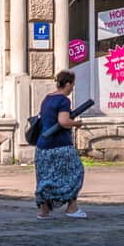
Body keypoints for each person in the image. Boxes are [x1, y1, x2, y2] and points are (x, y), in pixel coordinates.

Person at [34, 70, 86, 219]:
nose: (72, 88)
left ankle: (44, 212)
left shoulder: (47, 98)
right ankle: (72, 208)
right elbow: (63, 121)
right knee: (76, 172)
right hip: (60, 146)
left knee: (45, 178)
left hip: (42, 146)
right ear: (68, 83)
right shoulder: (63, 100)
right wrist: (76, 123)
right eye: (72, 85)